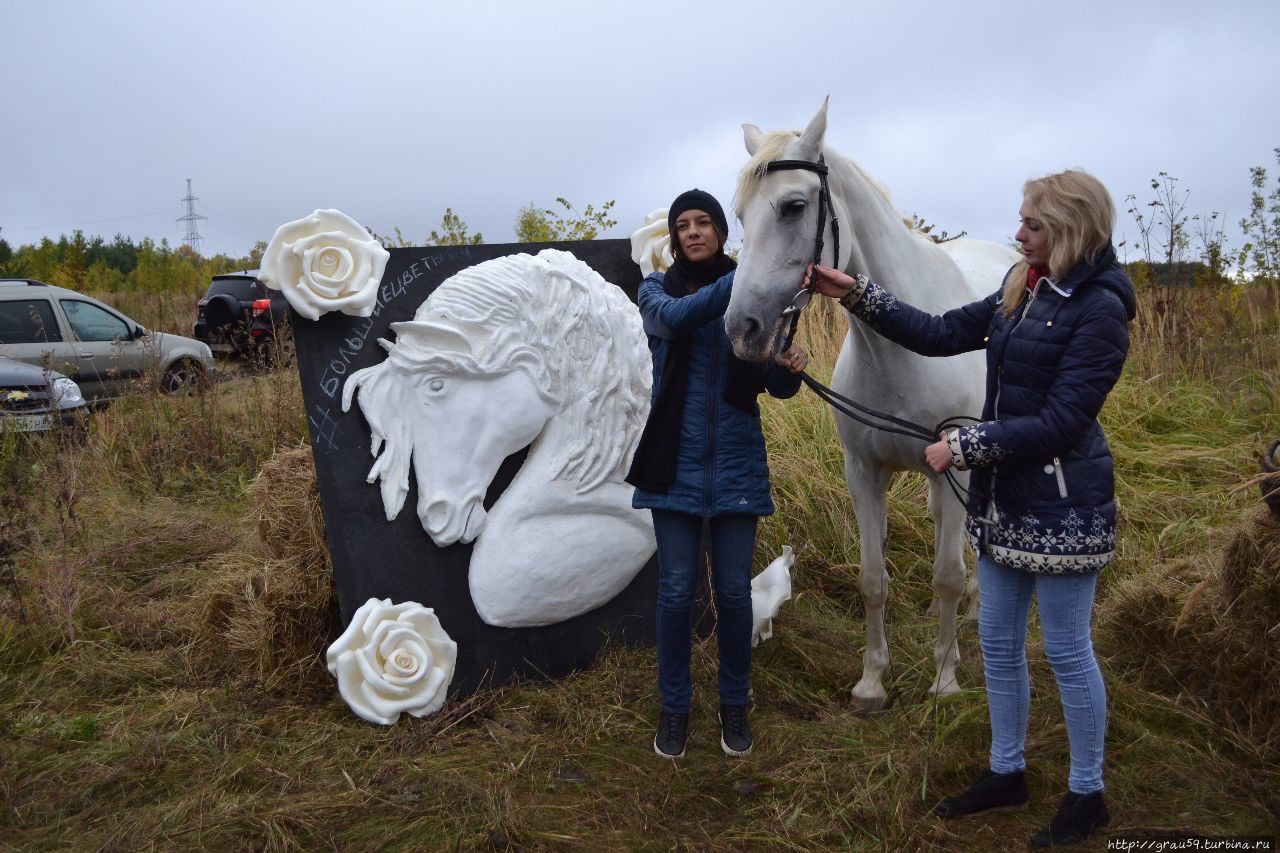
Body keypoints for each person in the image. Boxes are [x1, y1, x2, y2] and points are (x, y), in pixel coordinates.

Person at [807, 169, 1135, 847]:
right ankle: (1005, 771)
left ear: (1070, 228)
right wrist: (860, 295)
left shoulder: (1101, 308)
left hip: (1066, 505)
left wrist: (965, 443)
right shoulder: (1023, 286)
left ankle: (1086, 791)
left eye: (1032, 225)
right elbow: (937, 330)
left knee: (1069, 652)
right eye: (1020, 222)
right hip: (1006, 498)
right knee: (998, 643)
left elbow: (1065, 419)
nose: (1017, 234)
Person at [626, 188, 807, 760]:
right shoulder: (656, 291)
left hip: (736, 464)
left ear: (722, 232)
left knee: (732, 593)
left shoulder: (758, 297)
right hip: (671, 464)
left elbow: (773, 387)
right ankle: (674, 710)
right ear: (675, 237)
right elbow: (677, 321)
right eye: (684, 225)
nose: (694, 232)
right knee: (676, 593)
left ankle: (734, 706)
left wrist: (789, 370)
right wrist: (751, 274)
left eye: (704, 222)